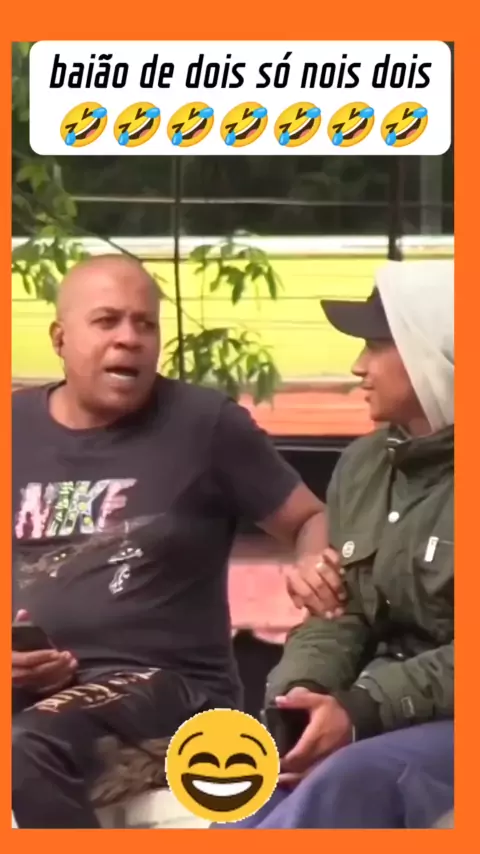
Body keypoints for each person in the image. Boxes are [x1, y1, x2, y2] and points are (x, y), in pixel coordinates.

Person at [12, 254, 330, 829]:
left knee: (25, 745)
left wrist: (314, 562)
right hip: (38, 691)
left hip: (174, 690)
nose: (129, 339)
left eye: (145, 324)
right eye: (106, 321)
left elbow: (310, 518)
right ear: (59, 338)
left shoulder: (204, 424)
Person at [213, 259, 454, 829]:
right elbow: (336, 613)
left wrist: (362, 709)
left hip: (434, 717)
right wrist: (305, 691)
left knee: (350, 780)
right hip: (370, 705)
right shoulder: (364, 465)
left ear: (432, 354)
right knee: (244, 783)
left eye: (376, 346)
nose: (357, 366)